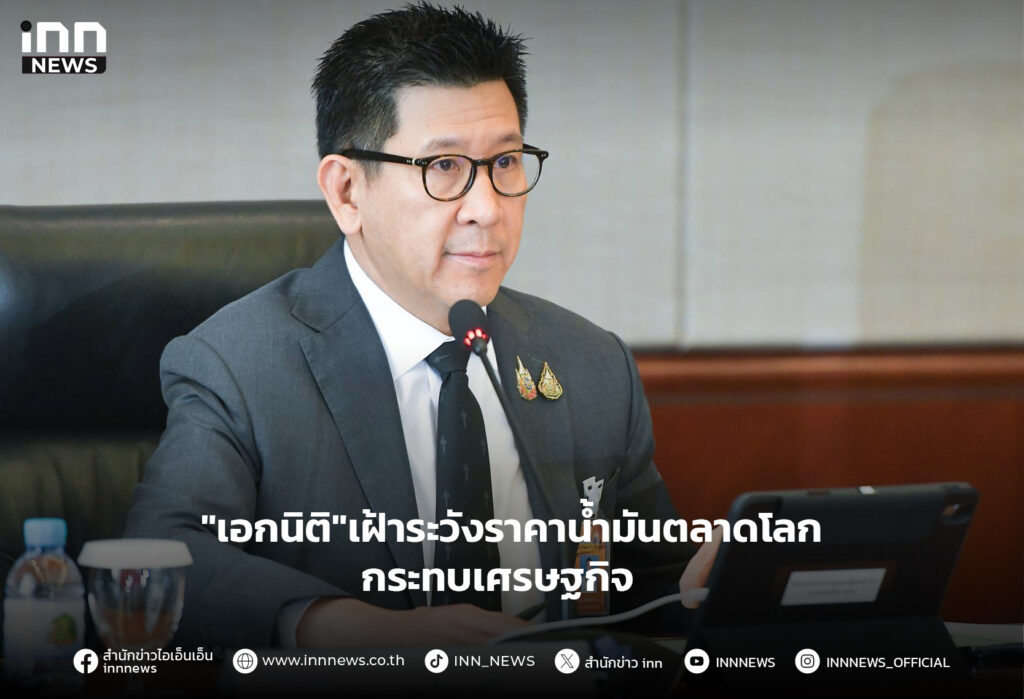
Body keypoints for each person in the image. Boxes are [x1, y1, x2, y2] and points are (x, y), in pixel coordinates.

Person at [125, 4, 717, 650]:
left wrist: (709, 590)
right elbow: (164, 551)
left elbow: (650, 592)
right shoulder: (242, 363)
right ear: (347, 191)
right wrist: (352, 627)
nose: (486, 208)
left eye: (506, 162)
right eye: (444, 167)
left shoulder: (587, 362)